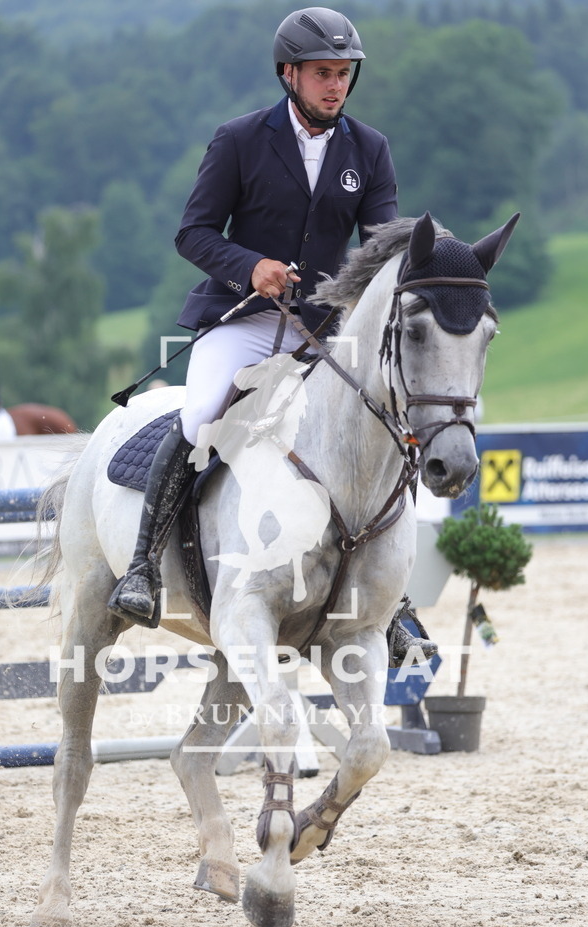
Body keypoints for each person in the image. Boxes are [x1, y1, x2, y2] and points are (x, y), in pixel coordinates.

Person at [109, 7, 436, 666]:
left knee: (379, 430)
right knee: (201, 414)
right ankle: (142, 567)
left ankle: (390, 602)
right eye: (322, 73)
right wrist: (249, 266)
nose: (334, 85)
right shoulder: (238, 140)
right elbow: (193, 232)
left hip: (320, 330)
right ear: (289, 73)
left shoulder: (367, 149)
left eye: (343, 74)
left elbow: (376, 246)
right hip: (243, 320)